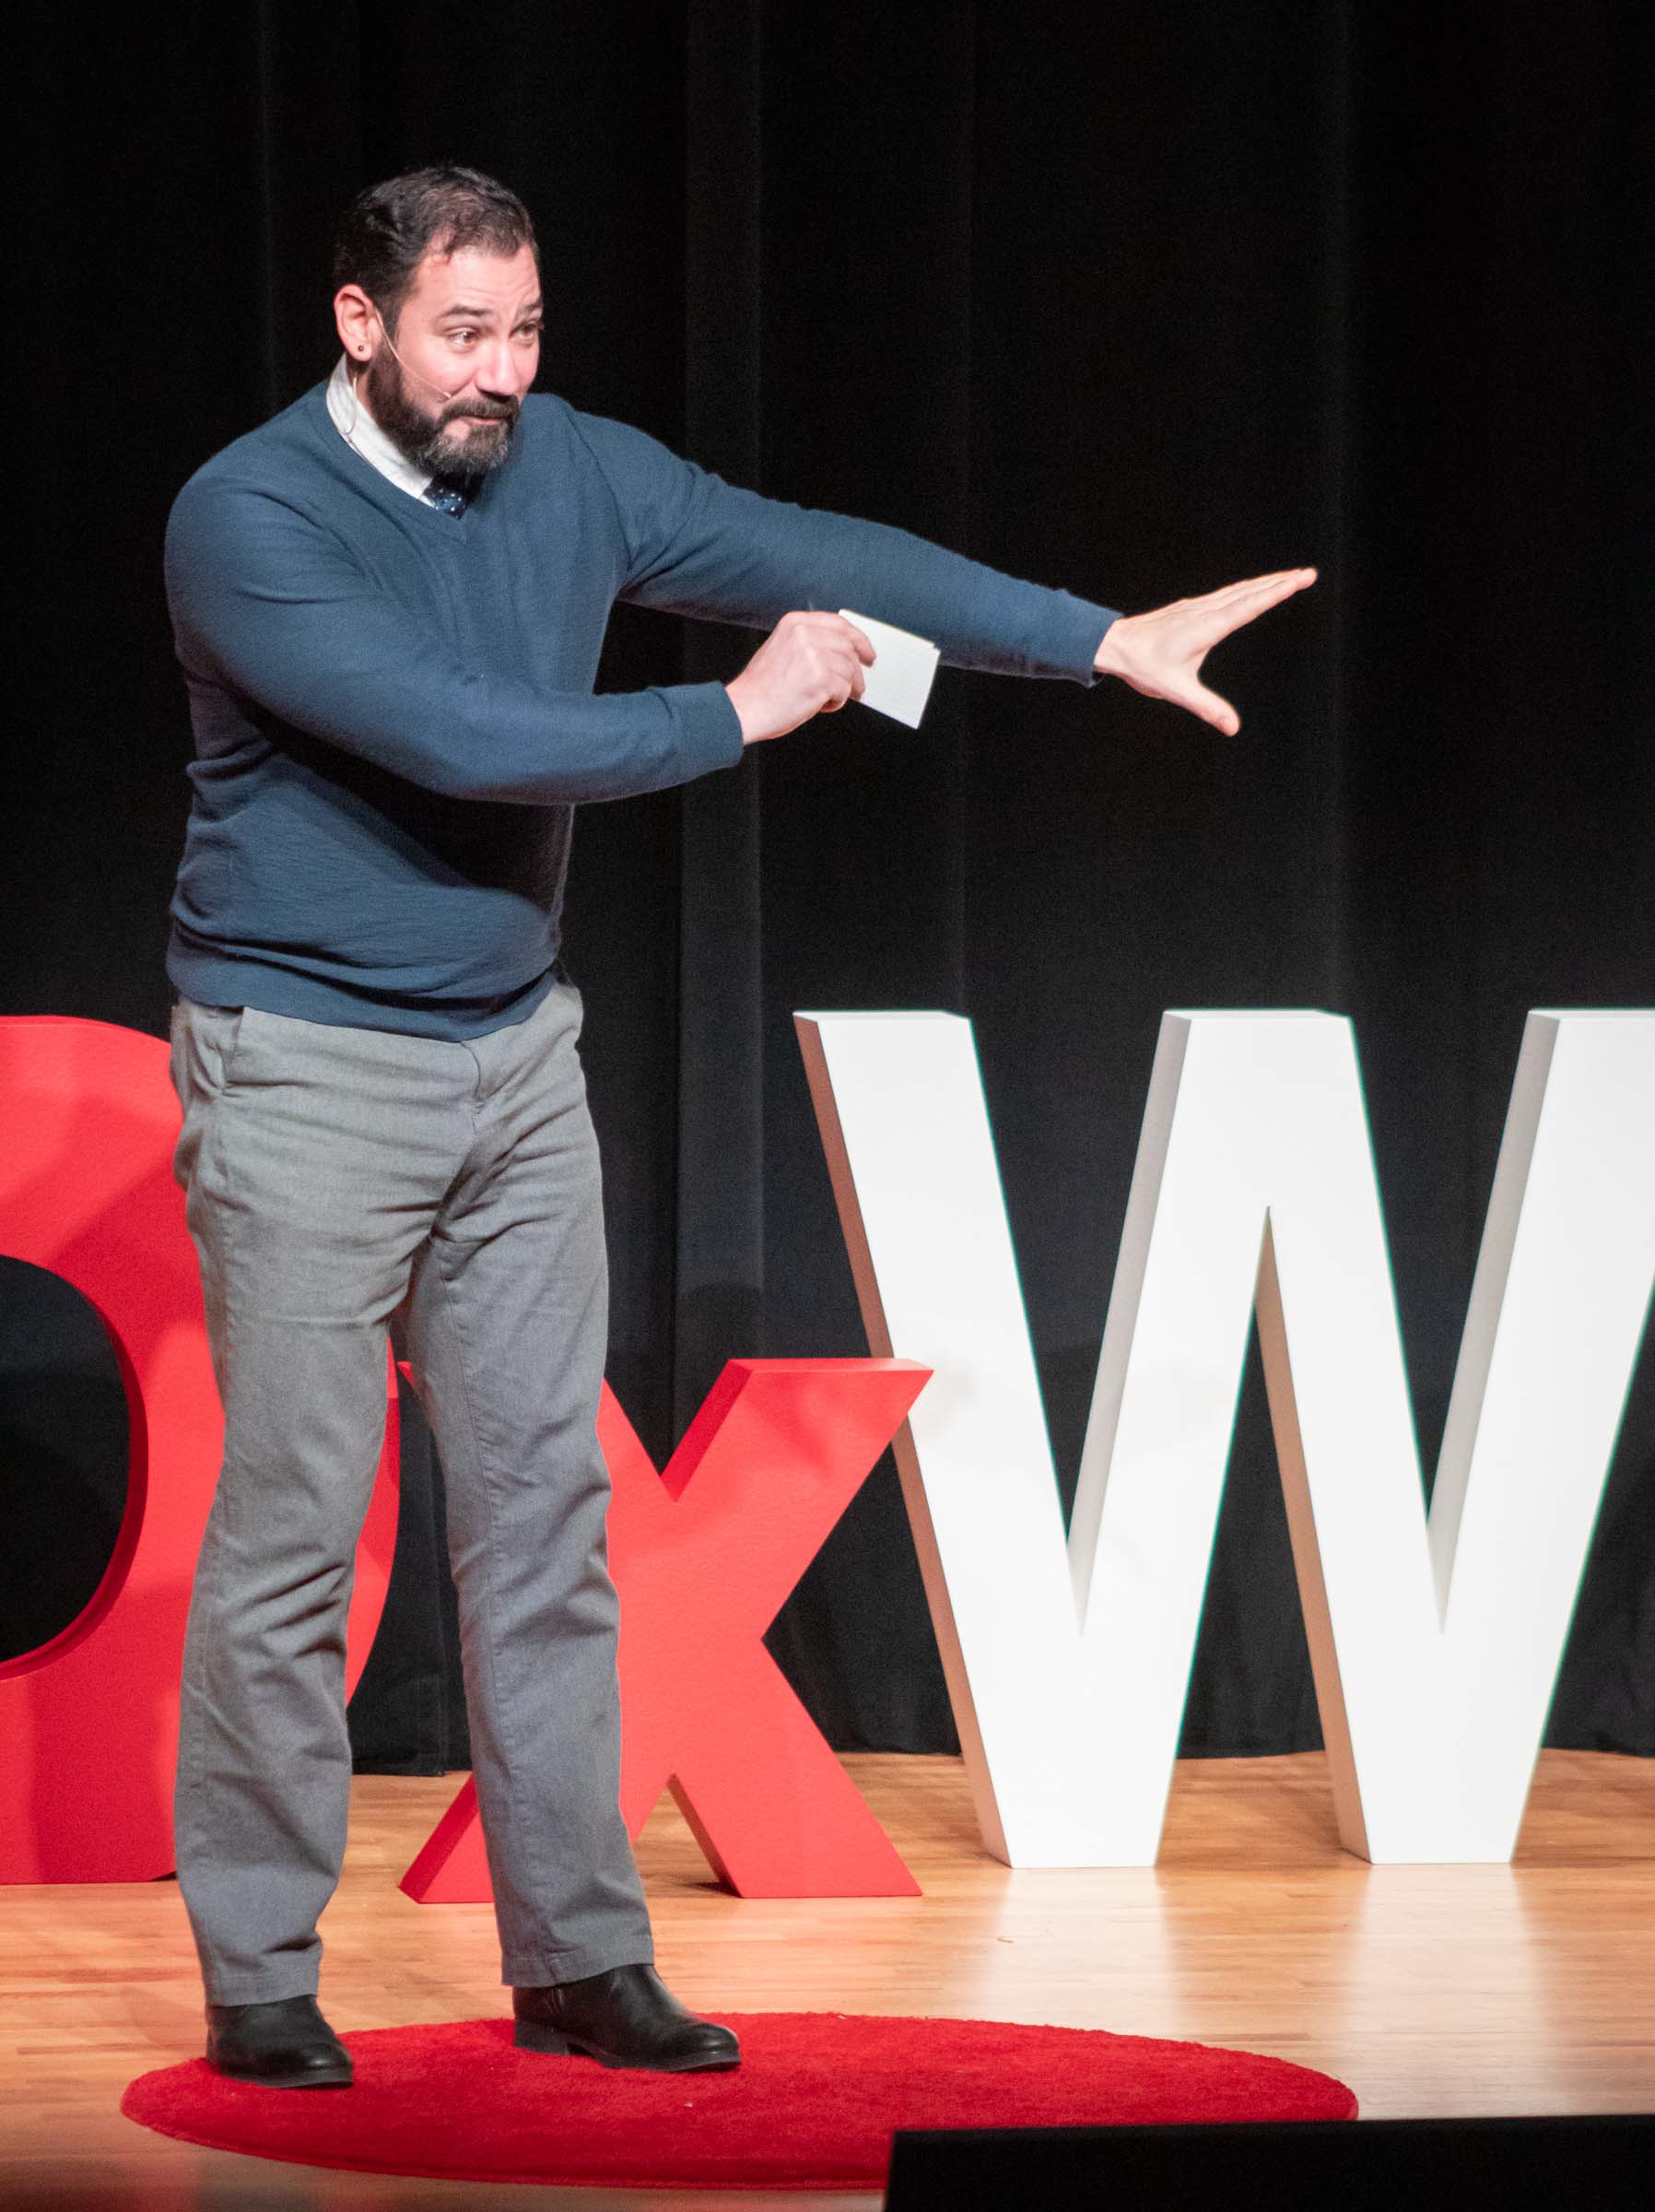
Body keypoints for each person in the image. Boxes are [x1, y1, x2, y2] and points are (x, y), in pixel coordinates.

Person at [162, 162, 1315, 2090]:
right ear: (357, 323)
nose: (500, 372)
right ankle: (262, 1974)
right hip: (304, 1067)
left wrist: (1100, 634)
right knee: (296, 1540)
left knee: (546, 1525)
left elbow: (812, 545)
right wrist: (740, 717)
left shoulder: (570, 464)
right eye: (463, 332)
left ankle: (574, 1959)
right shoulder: (250, 515)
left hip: (515, 1060)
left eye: (525, 331)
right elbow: (462, 733)